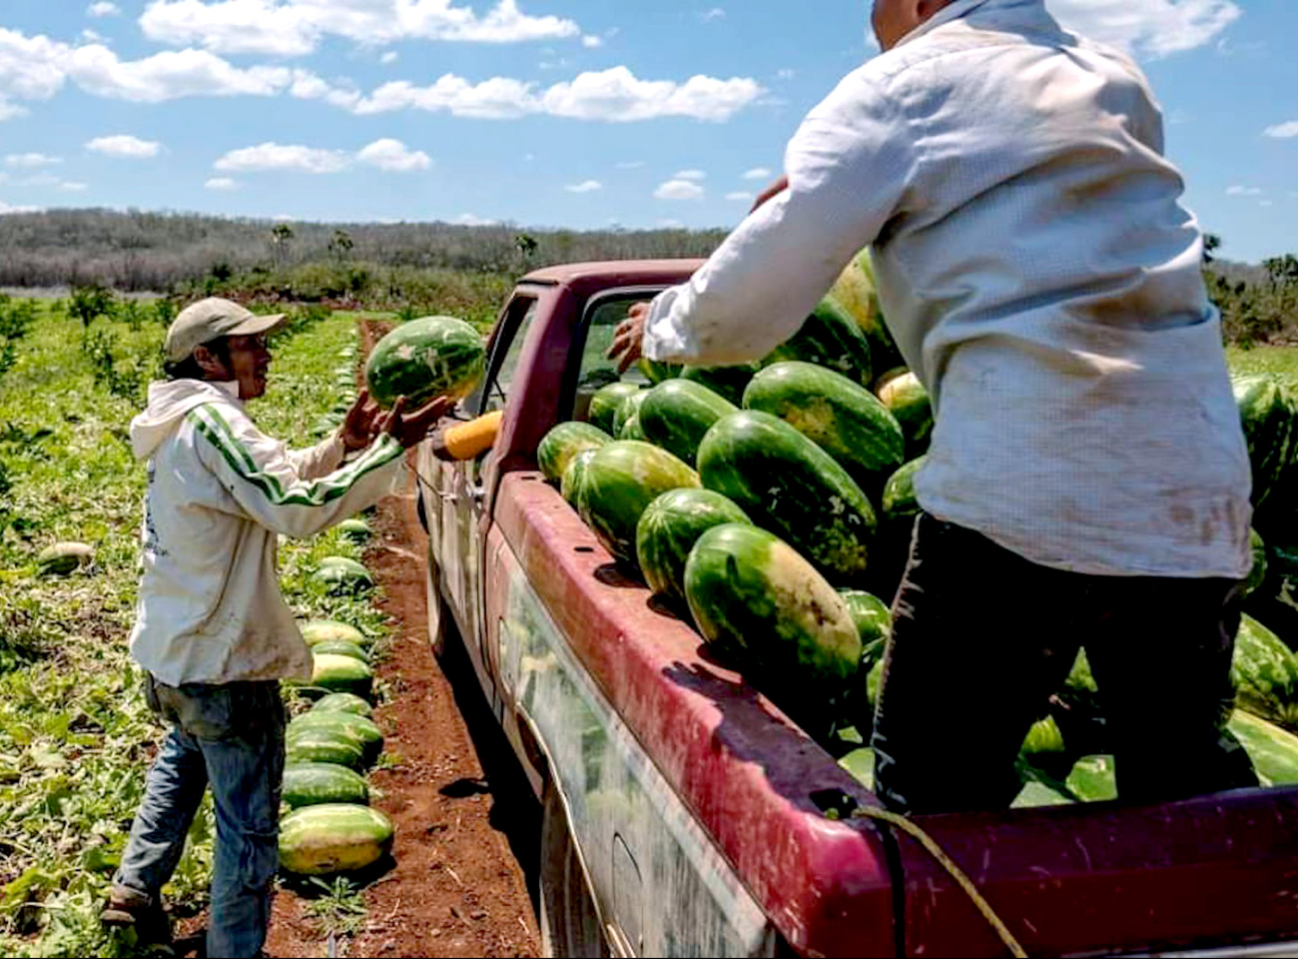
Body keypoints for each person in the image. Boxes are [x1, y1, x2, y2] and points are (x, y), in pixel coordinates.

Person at [609, 0, 1257, 814]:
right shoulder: (1114, 80)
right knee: (1181, 797)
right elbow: (1044, 215)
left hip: (1021, 491)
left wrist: (666, 322)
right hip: (1196, 498)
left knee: (935, 797)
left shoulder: (899, 86)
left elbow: (756, 297)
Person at [101, 297, 450, 956]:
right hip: (224, 663)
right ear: (207, 358)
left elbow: (266, 478)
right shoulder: (211, 419)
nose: (266, 353)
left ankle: (132, 890)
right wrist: (388, 452)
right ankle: (236, 949)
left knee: (184, 758)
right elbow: (291, 507)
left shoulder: (181, 419)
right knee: (249, 829)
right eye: (249, 344)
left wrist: (342, 446)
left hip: (173, 654)